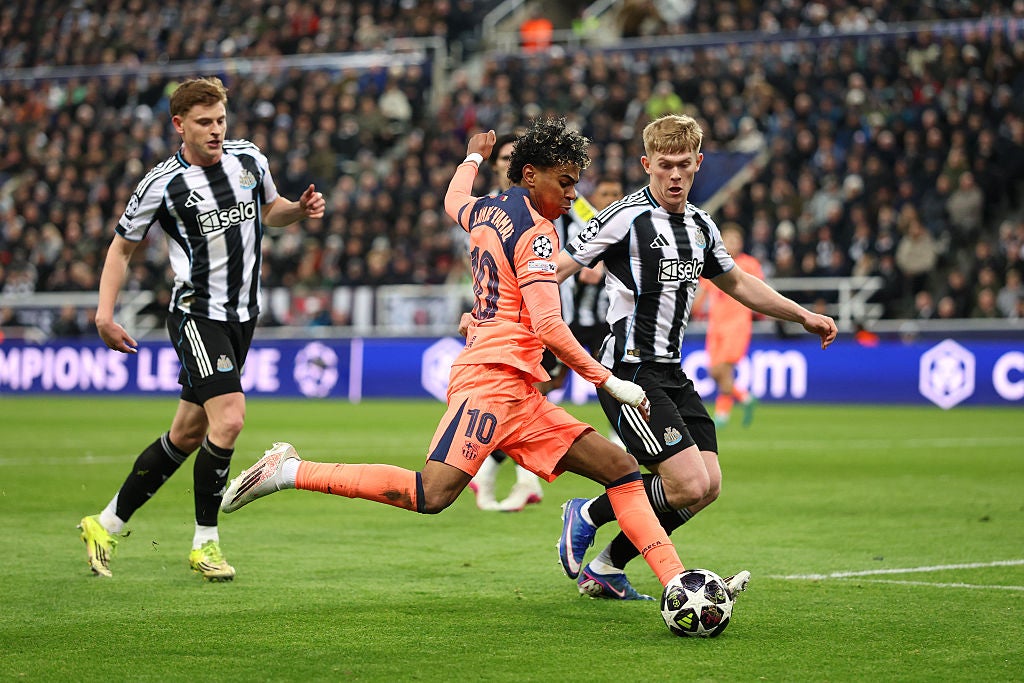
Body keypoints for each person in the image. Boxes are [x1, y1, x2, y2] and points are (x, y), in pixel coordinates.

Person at [220, 119, 722, 608]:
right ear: (532, 175)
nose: (573, 197)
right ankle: (289, 470)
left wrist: (472, 157)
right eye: (566, 183)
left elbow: (451, 199)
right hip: (488, 382)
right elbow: (550, 328)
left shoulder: (485, 209)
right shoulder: (539, 236)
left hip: (520, 387)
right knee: (431, 494)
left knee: (620, 469)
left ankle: (675, 582)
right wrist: (609, 381)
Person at [555, 114, 837, 600]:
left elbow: (741, 285)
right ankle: (586, 512)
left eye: (684, 165)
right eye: (665, 165)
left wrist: (802, 315)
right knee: (685, 484)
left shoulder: (703, 226)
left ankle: (606, 567)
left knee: (706, 487)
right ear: (647, 165)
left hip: (671, 371)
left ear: (699, 163)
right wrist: (490, 310)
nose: (675, 175)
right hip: (630, 372)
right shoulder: (624, 217)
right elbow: (556, 268)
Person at [78, 76, 326, 580]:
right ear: (179, 126)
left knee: (187, 434)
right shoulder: (160, 184)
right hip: (197, 314)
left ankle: (104, 522)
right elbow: (121, 247)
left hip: (243, 318)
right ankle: (205, 543)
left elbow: (270, 210)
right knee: (229, 420)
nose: (215, 131)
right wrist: (104, 314)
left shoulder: (250, 160)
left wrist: (298, 210)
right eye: (204, 123)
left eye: (220, 121)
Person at [695, 224, 766, 427]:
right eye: (728, 240)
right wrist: (696, 309)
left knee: (722, 369)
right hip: (715, 326)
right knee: (715, 372)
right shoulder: (714, 262)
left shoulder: (749, 264)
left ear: (741, 243)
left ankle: (724, 413)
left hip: (737, 325)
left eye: (736, 240)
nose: (732, 244)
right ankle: (741, 400)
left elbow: (759, 289)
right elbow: (704, 291)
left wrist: (761, 312)